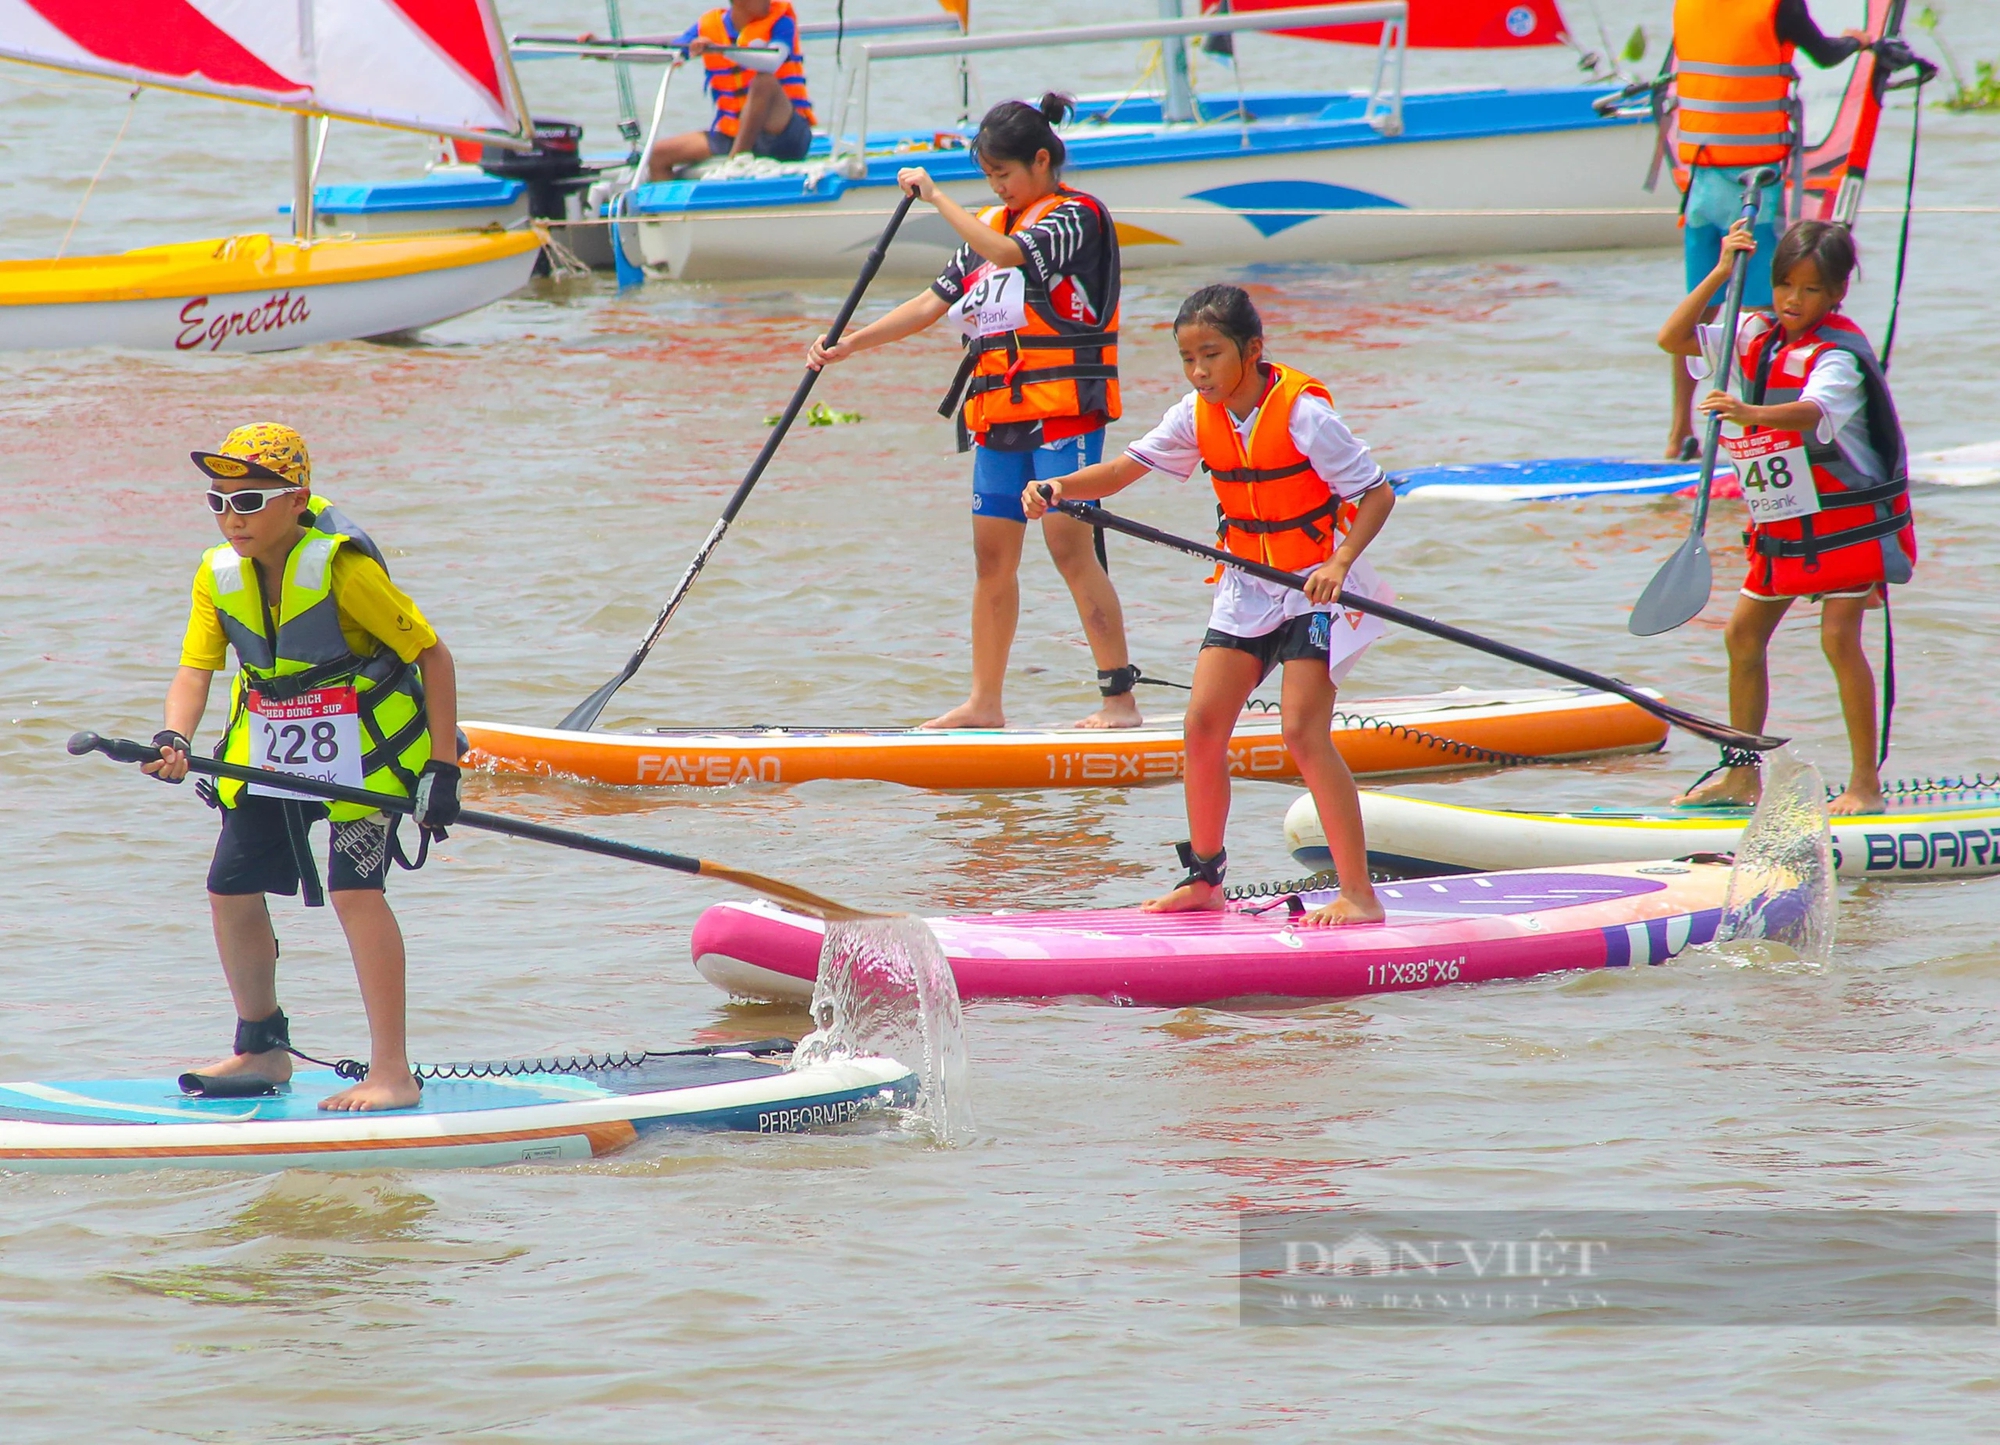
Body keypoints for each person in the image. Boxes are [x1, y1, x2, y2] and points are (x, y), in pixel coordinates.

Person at [1025, 285, 1393, 925]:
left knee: (1303, 733)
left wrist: (1337, 564)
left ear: (1252, 351)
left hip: (1314, 586)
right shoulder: (1196, 414)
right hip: (1247, 589)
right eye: (1188, 358)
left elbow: (1377, 494)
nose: (1200, 372)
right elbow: (1118, 473)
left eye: (1212, 355)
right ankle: (1204, 880)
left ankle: (1359, 895)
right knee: (1200, 728)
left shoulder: (1304, 414)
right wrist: (1057, 487)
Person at [142, 424, 462, 1112]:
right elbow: (196, 668)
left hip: (365, 753)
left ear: (298, 499)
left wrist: (442, 768)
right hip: (270, 751)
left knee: (355, 892)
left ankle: (392, 1072)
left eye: (251, 501)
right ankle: (262, 1045)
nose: (233, 518)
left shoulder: (345, 571)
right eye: (219, 502)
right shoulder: (216, 574)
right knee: (229, 887)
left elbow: (433, 655)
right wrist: (174, 734)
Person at [808, 93, 1140, 730]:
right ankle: (984, 704)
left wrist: (937, 197)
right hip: (1001, 411)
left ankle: (1118, 700)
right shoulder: (992, 224)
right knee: (992, 558)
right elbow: (931, 305)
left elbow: (1014, 256)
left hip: (1065, 409)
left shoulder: (1077, 218)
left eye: (1005, 174)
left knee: (1070, 549)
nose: (999, 188)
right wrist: (848, 344)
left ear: (1041, 161)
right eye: (989, 178)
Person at [1658, 219, 1915, 814]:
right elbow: (1673, 339)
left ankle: (1864, 786)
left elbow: (1810, 411)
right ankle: (1742, 775)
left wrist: (1744, 408)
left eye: (1812, 290)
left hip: (1846, 524)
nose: (1795, 302)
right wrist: (1722, 273)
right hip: (1785, 520)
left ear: (1837, 294)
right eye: (1785, 286)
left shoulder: (1839, 356)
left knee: (1838, 640)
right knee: (1741, 636)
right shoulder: (1755, 332)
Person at [1665, 0, 1869, 458]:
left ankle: (1678, 433)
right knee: (1761, 315)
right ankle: (1761, 437)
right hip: (1757, 182)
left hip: (1701, 173)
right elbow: (1824, 52)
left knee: (1697, 314)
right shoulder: (1778, 5)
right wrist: (1860, 41)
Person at [646, 0, 815, 178]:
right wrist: (688, 50)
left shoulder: (781, 21)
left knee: (764, 81)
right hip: (732, 133)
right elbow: (671, 53)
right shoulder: (710, 25)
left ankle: (736, 162)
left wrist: (719, 50)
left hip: (783, 132)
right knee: (658, 155)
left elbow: (772, 62)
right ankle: (674, 205)